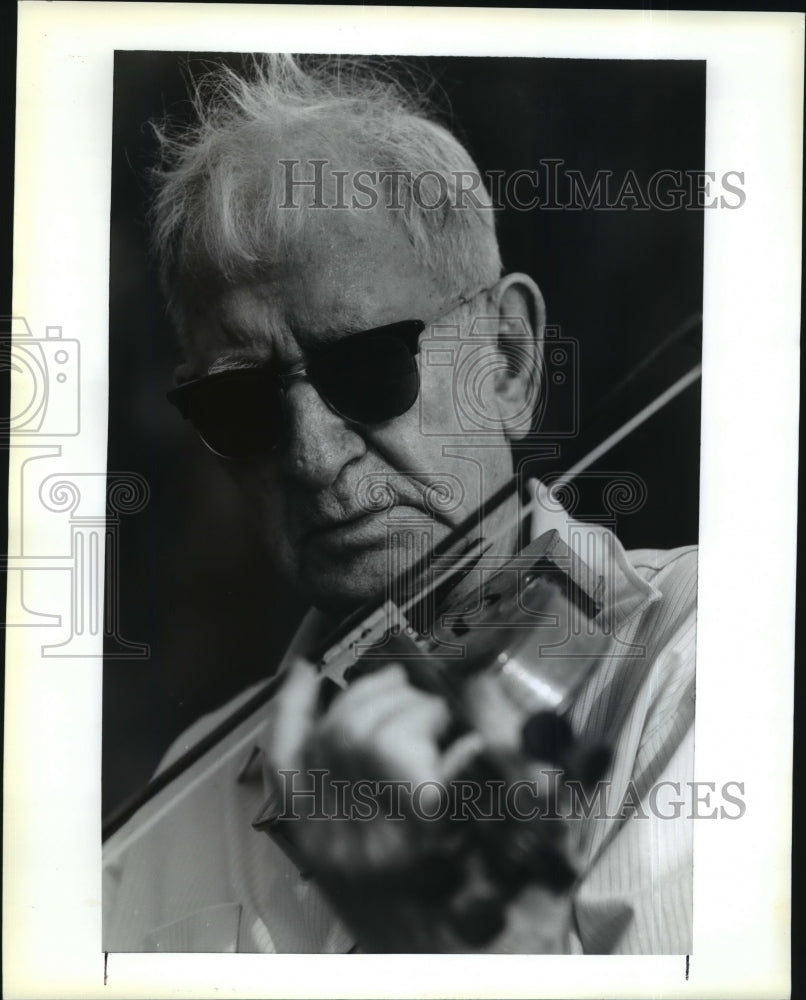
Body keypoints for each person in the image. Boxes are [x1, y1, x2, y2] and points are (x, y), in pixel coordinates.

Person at [103, 55, 698, 955]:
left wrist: (457, 947)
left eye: (367, 367)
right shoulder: (179, 797)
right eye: (242, 405)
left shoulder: (702, 660)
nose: (313, 455)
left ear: (508, 358)